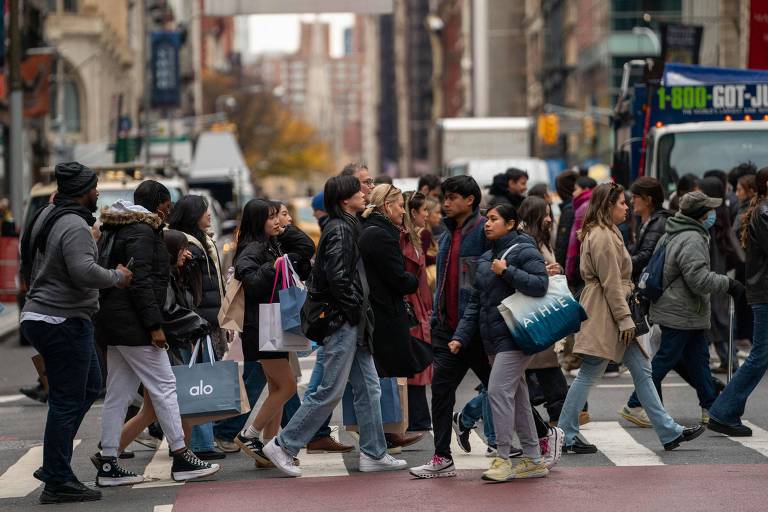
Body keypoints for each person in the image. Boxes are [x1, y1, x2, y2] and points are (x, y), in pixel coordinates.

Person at [262, 175, 408, 476]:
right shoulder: (341, 229)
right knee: (328, 390)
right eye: (359, 191)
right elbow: (338, 279)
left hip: (351, 320)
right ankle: (284, 444)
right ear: (345, 200)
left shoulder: (346, 225)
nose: (365, 194)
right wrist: (355, 311)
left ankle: (374, 453)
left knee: (369, 389)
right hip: (343, 321)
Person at [558, 182, 704, 453]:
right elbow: (611, 282)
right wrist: (625, 318)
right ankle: (565, 434)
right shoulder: (602, 235)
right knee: (591, 372)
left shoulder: (607, 231)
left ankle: (669, 432)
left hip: (612, 309)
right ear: (608, 206)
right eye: (622, 203)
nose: (627, 207)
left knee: (642, 371)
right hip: (607, 311)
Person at [93, 180, 220, 487]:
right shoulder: (142, 231)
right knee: (165, 386)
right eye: (167, 205)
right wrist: (154, 327)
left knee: (118, 393)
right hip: (135, 325)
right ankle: (181, 455)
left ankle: (109, 461)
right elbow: (143, 285)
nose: (169, 211)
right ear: (159, 204)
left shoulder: (115, 229)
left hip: (113, 322)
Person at [19, 162, 133, 503]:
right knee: (68, 399)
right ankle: (56, 479)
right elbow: (83, 271)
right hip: (62, 320)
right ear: (82, 190)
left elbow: (34, 257)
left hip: (47, 316)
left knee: (89, 386)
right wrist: (117, 276)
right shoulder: (73, 225)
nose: (98, 192)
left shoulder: (49, 215)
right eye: (95, 187)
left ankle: (54, 463)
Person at [450, 203, 550, 481]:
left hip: (517, 335)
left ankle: (503, 458)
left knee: (497, 392)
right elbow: (475, 302)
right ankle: (533, 459)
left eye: (494, 219)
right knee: (516, 396)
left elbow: (540, 285)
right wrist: (460, 336)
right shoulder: (485, 258)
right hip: (493, 338)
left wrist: (507, 272)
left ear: (511, 223)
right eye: (487, 219)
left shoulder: (523, 249)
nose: (487, 224)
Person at [626, 191, 741, 427]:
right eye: (709, 210)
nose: (713, 214)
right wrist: (728, 284)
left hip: (682, 310)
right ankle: (635, 402)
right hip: (680, 311)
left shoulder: (672, 232)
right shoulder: (693, 238)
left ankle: (709, 406)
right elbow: (698, 279)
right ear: (700, 214)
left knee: (699, 359)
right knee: (665, 359)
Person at [410, 175, 493, 478]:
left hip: (477, 330)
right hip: (448, 329)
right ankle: (441, 456)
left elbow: (486, 281)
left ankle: (541, 435)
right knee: (442, 391)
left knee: (500, 389)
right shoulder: (446, 234)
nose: (445, 204)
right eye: (444, 198)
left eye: (452, 198)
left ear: (470, 200)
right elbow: (445, 282)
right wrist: (437, 321)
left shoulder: (484, 230)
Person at [115, 230, 208, 456]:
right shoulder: (163, 277)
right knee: (177, 401)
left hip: (164, 345)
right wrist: (198, 322)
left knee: (149, 411)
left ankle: (109, 451)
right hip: (164, 347)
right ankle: (184, 455)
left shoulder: (175, 274)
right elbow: (169, 312)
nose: (187, 254)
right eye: (182, 249)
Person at [230, 199, 303, 466]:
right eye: (270, 217)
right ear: (256, 221)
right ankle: (249, 435)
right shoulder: (252, 248)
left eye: (277, 216)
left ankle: (271, 448)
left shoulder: (272, 244)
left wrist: (287, 233)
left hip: (272, 323)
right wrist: (272, 268)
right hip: (262, 326)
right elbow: (250, 282)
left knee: (276, 388)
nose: (277, 221)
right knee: (287, 385)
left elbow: (306, 248)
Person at [359, 185, 425, 449]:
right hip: (383, 313)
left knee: (378, 377)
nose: (403, 211)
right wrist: (413, 279)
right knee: (381, 376)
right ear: (387, 207)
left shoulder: (371, 230)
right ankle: (381, 437)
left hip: (377, 311)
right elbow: (397, 278)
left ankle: (385, 433)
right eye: (399, 205)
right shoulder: (381, 236)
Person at [708, 168, 768, 436]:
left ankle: (725, 409)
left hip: (763, 292)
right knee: (759, 356)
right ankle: (723, 411)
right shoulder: (764, 213)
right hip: (765, 294)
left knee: (760, 355)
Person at [168, 195, 228, 460]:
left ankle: (195, 439)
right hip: (197, 324)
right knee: (199, 383)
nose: (209, 214)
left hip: (208, 320)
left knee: (198, 382)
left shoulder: (202, 240)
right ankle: (201, 443)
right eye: (205, 210)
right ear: (193, 214)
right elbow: (191, 290)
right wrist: (197, 324)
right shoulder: (185, 244)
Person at [518, 196, 569, 426]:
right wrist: (546, 273)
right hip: (533, 314)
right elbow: (526, 274)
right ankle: (562, 423)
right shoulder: (525, 241)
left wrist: (554, 269)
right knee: (534, 375)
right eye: (545, 214)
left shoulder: (541, 239)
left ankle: (561, 424)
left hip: (543, 312)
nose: (549, 219)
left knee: (536, 375)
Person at [700, 177, 743, 375]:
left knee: (717, 319)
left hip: (713, 274)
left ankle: (729, 359)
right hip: (720, 273)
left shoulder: (710, 218)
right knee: (720, 319)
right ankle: (729, 359)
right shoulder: (722, 216)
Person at [401, 192, 435, 431]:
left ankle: (419, 417)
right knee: (414, 359)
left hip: (418, 305)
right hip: (411, 306)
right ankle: (416, 418)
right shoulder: (404, 239)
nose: (427, 214)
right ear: (412, 212)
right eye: (423, 210)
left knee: (418, 358)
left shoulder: (415, 237)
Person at [554, 170, 578, 270]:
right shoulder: (578, 206)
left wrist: (559, 267)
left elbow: (562, 243)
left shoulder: (569, 210)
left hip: (569, 267)